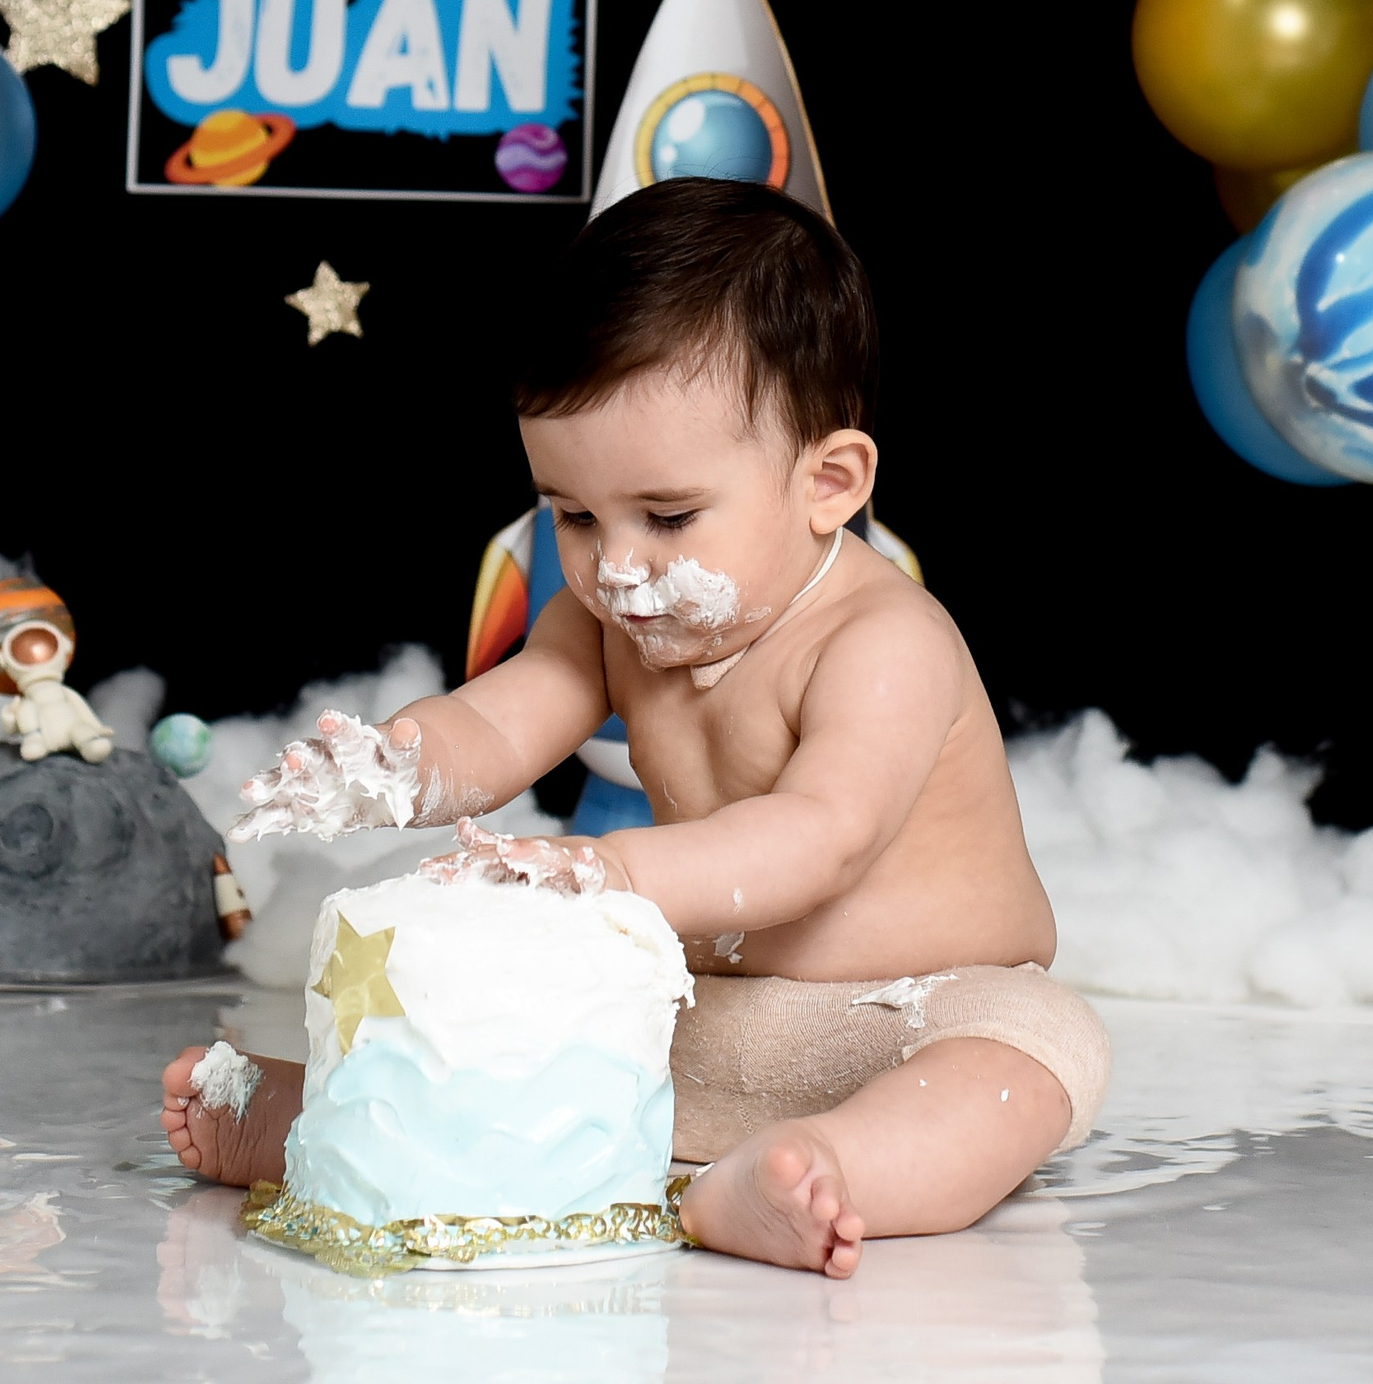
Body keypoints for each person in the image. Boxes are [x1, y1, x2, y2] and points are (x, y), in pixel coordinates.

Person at [159, 177, 1108, 1279]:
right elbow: (496, 722)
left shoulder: (883, 640)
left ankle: (818, 1167)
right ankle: (306, 1116)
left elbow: (819, 835)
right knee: (504, 1029)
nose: (615, 565)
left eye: (666, 517)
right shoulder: (612, 617)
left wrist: (605, 871)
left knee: (1033, 1055)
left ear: (830, 482)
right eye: (571, 514)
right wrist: (392, 764)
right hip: (685, 1017)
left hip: (910, 1017)